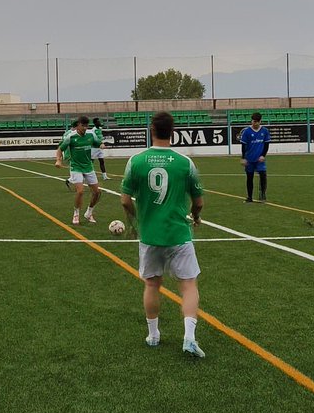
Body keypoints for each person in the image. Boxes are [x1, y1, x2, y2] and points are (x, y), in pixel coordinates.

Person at [121, 111, 206, 358]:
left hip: (150, 235)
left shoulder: (136, 161)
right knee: (188, 286)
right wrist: (196, 216)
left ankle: (153, 336)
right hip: (179, 234)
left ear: (151, 130)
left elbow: (125, 200)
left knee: (152, 284)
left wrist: (135, 222)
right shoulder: (185, 163)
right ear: (173, 132)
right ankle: (189, 337)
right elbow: (198, 202)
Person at [55, 115, 103, 224]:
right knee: (80, 191)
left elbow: (97, 142)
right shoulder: (71, 137)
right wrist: (58, 160)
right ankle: (76, 214)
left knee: (97, 192)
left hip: (88, 166)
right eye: (83, 125)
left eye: (86, 126)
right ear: (77, 125)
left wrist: (101, 144)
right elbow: (60, 149)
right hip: (76, 167)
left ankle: (89, 213)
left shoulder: (91, 134)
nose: (85, 128)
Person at [239, 112, 270, 202]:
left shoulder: (264, 131)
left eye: (256, 121)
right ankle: (249, 197)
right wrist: (243, 158)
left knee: (263, 175)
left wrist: (263, 155)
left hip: (260, 160)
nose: (254, 123)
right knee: (249, 178)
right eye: (253, 121)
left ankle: (262, 195)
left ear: (260, 121)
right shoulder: (247, 132)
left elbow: (266, 145)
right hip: (249, 159)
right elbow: (243, 146)